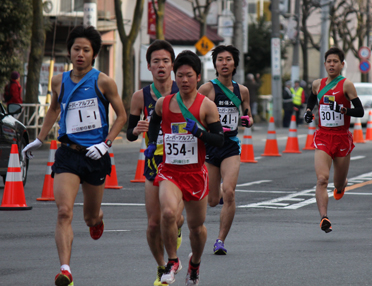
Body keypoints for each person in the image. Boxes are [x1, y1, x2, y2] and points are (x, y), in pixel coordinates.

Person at [21, 25, 127, 286]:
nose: (80, 53)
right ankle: (65, 269)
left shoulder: (103, 81)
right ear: (69, 52)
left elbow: (122, 115)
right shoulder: (60, 80)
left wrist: (106, 144)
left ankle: (97, 219)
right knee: (64, 212)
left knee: (89, 216)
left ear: (94, 54)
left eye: (86, 50)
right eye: (76, 49)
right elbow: (53, 109)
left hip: (95, 156)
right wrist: (39, 138)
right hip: (67, 153)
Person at [145, 50, 224, 285]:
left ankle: (195, 264)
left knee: (196, 228)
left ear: (198, 77)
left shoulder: (207, 106)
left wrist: (199, 132)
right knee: (168, 213)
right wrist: (151, 144)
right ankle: (172, 261)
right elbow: (154, 122)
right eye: (180, 76)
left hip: (195, 173)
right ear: (174, 76)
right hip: (170, 171)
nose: (184, 80)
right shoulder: (164, 103)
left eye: (189, 75)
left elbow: (219, 139)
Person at [126, 39, 184, 286]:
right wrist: (137, 130)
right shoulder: (140, 97)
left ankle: (176, 234)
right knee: (153, 224)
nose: (161, 66)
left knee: (173, 217)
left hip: (181, 163)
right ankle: (163, 267)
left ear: (172, 65)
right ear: (148, 67)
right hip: (154, 163)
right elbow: (129, 133)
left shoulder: (185, 92)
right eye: (156, 62)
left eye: (165, 61)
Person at [198, 45, 253, 255]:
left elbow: (248, 114)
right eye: (220, 59)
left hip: (230, 145)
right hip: (211, 145)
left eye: (228, 59)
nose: (224, 63)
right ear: (215, 64)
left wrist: (247, 120)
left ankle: (220, 240)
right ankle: (218, 193)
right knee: (212, 201)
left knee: (229, 191)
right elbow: (196, 114)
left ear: (235, 64)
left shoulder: (243, 91)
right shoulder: (206, 89)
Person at [304, 47, 364, 233]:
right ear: (324, 64)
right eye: (329, 61)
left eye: (335, 61)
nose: (332, 64)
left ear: (342, 65)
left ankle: (341, 185)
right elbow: (312, 99)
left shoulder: (347, 85)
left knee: (337, 183)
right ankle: (324, 218)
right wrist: (308, 112)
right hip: (323, 136)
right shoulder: (317, 84)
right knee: (322, 179)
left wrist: (343, 110)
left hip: (342, 138)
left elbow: (360, 111)